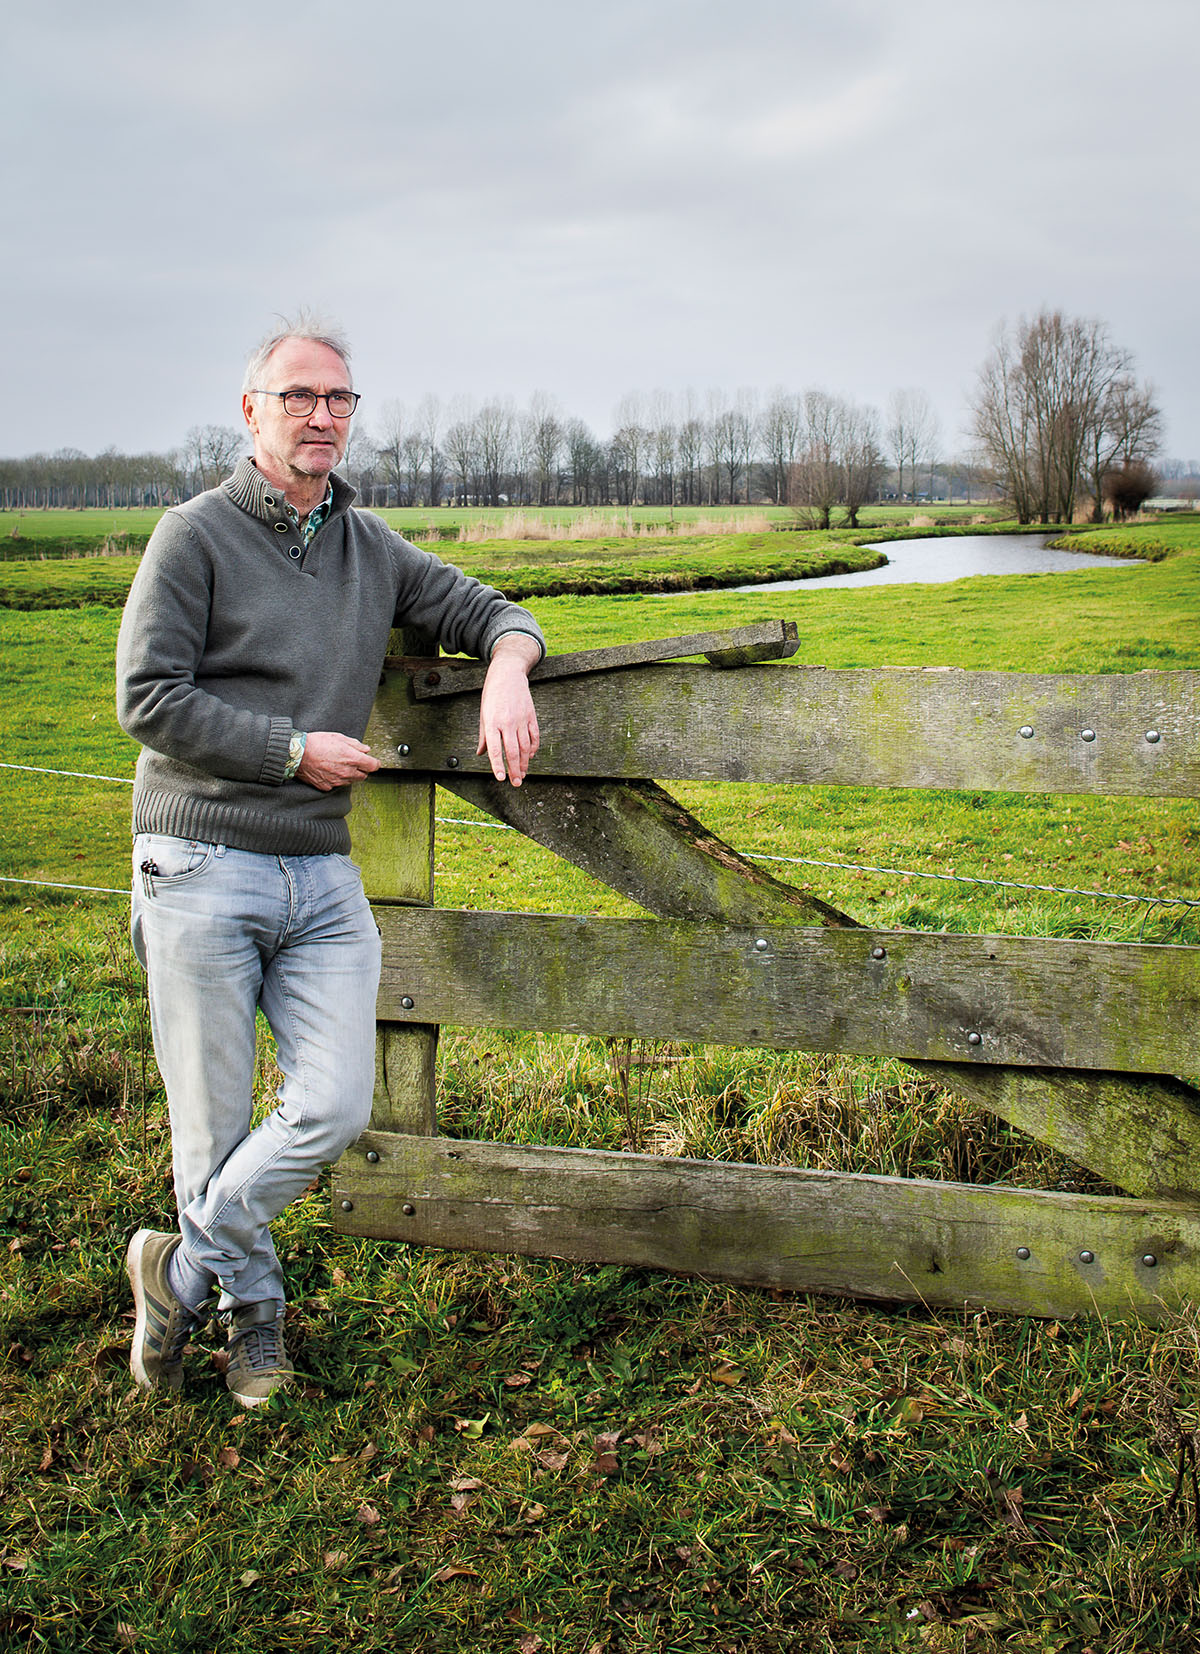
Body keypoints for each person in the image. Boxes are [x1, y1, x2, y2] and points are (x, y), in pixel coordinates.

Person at [116, 314, 544, 1406]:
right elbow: (147, 699)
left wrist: (507, 665)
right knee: (211, 1129)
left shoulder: (369, 546)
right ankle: (255, 1321)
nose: (321, 415)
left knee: (337, 1103)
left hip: (319, 873)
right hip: (201, 857)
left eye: (339, 399)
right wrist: (290, 750)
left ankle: (179, 1265)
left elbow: (491, 609)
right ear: (250, 409)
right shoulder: (194, 536)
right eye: (298, 396)